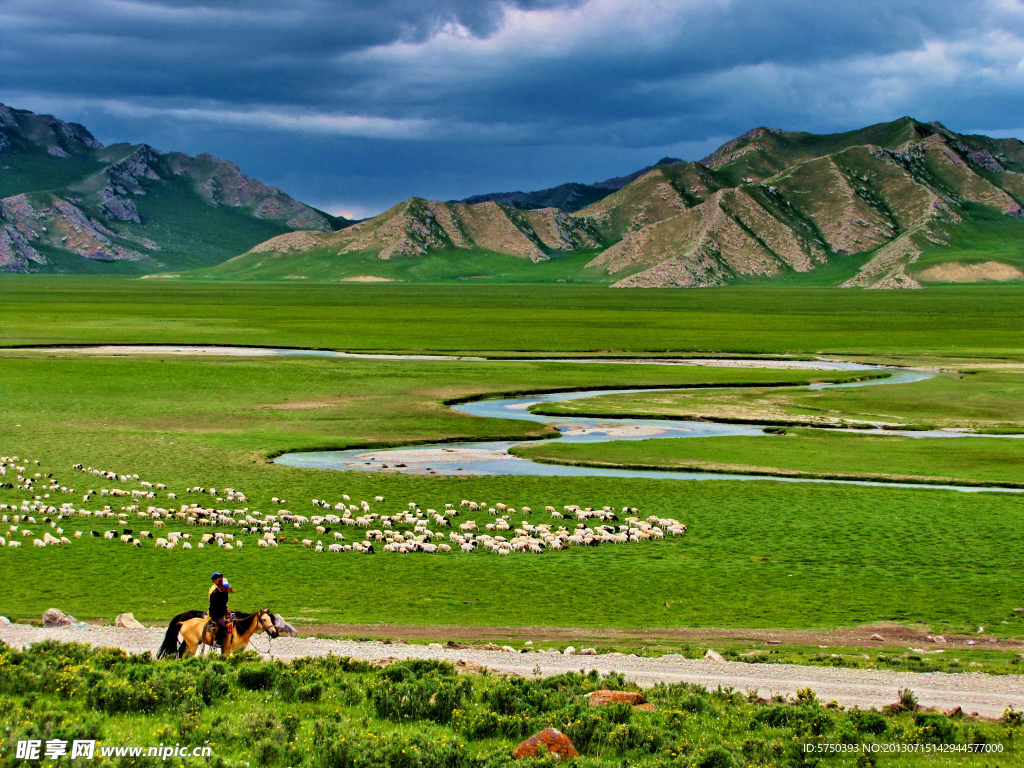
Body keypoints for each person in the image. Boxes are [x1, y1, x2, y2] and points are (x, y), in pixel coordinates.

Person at [208, 572, 233, 647]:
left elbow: (224, 603)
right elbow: (215, 607)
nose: (227, 588)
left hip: (223, 611)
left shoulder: (225, 592)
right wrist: (223, 614)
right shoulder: (214, 594)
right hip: (216, 614)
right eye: (225, 586)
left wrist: (227, 610)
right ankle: (218, 641)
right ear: (220, 586)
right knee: (222, 625)